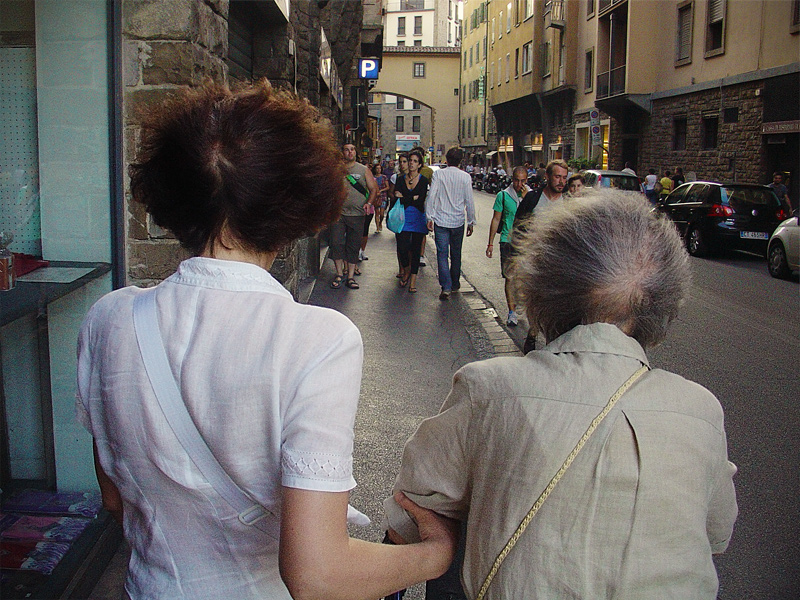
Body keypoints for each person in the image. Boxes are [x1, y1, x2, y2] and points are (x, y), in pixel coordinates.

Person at [76, 81, 457, 600]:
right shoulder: (318, 339)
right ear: (295, 206)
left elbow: (117, 500)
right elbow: (318, 574)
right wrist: (435, 556)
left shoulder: (108, 320)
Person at [385, 190, 738, 600]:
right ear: (665, 301)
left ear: (542, 285)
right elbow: (717, 532)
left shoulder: (490, 389)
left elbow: (408, 511)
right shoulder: (701, 410)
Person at [513, 159, 569, 352]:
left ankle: (551, 341)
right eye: (557, 177)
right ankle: (533, 332)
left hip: (559, 262)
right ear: (547, 177)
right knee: (537, 300)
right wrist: (518, 250)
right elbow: (518, 225)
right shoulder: (533, 199)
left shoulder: (569, 203)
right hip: (535, 260)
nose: (561, 181)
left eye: (564, 177)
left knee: (556, 303)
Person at [426, 147, 476, 300]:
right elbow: (469, 200)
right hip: (458, 221)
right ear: (461, 161)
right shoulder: (465, 177)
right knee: (456, 253)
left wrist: (430, 217)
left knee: (442, 254)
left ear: (446, 159)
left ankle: (446, 286)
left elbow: (432, 196)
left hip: (441, 220)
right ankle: (455, 283)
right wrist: (471, 221)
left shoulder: (439, 175)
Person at [329, 142, 378, 289]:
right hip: (339, 214)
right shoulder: (336, 170)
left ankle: (350, 276)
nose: (350, 152)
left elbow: (373, 189)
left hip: (357, 214)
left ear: (355, 152)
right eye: (346, 150)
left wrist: (369, 203)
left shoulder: (363, 170)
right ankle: (338, 273)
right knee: (336, 243)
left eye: (352, 150)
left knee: (353, 245)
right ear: (342, 152)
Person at [486, 166, 529, 326]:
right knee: (510, 277)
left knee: (524, 278)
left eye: (522, 181)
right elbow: (496, 219)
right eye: (516, 180)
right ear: (512, 179)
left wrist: (526, 199)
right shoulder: (503, 196)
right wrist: (490, 243)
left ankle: (522, 306)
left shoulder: (531, 196)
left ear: (527, 180)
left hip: (526, 241)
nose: (519, 184)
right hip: (507, 240)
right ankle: (511, 312)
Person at [391, 148, 429, 293]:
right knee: (402, 247)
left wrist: (405, 197)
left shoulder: (423, 180)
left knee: (415, 249)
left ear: (419, 164)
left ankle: (412, 280)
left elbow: (420, 201)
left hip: (418, 218)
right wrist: (411, 198)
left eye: (415, 161)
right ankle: (406, 270)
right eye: (410, 161)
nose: (411, 164)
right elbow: (396, 197)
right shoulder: (400, 180)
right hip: (403, 218)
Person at [373, 163, 389, 232]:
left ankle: (380, 223)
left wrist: (381, 190)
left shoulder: (384, 177)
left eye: (379, 168)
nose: (378, 170)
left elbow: (387, 187)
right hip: (376, 196)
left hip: (383, 196)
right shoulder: (373, 177)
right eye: (377, 168)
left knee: (382, 213)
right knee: (377, 212)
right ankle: (377, 227)